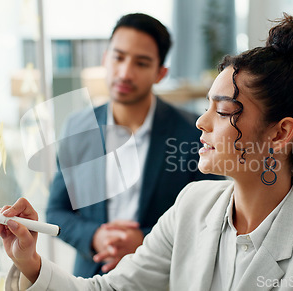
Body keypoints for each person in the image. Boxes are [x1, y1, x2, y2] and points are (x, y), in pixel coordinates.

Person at [0, 13, 293, 290]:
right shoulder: (193, 205)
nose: (202, 122)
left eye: (224, 109)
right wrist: (29, 260)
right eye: (207, 105)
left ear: (280, 134)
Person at [46, 12, 221, 278]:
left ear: (160, 73)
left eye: (141, 63)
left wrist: (146, 240)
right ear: (105, 59)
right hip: (92, 276)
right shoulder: (78, 127)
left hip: (162, 277)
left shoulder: (192, 133)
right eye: (118, 57)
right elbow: (56, 211)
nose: (125, 72)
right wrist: (96, 236)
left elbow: (211, 217)